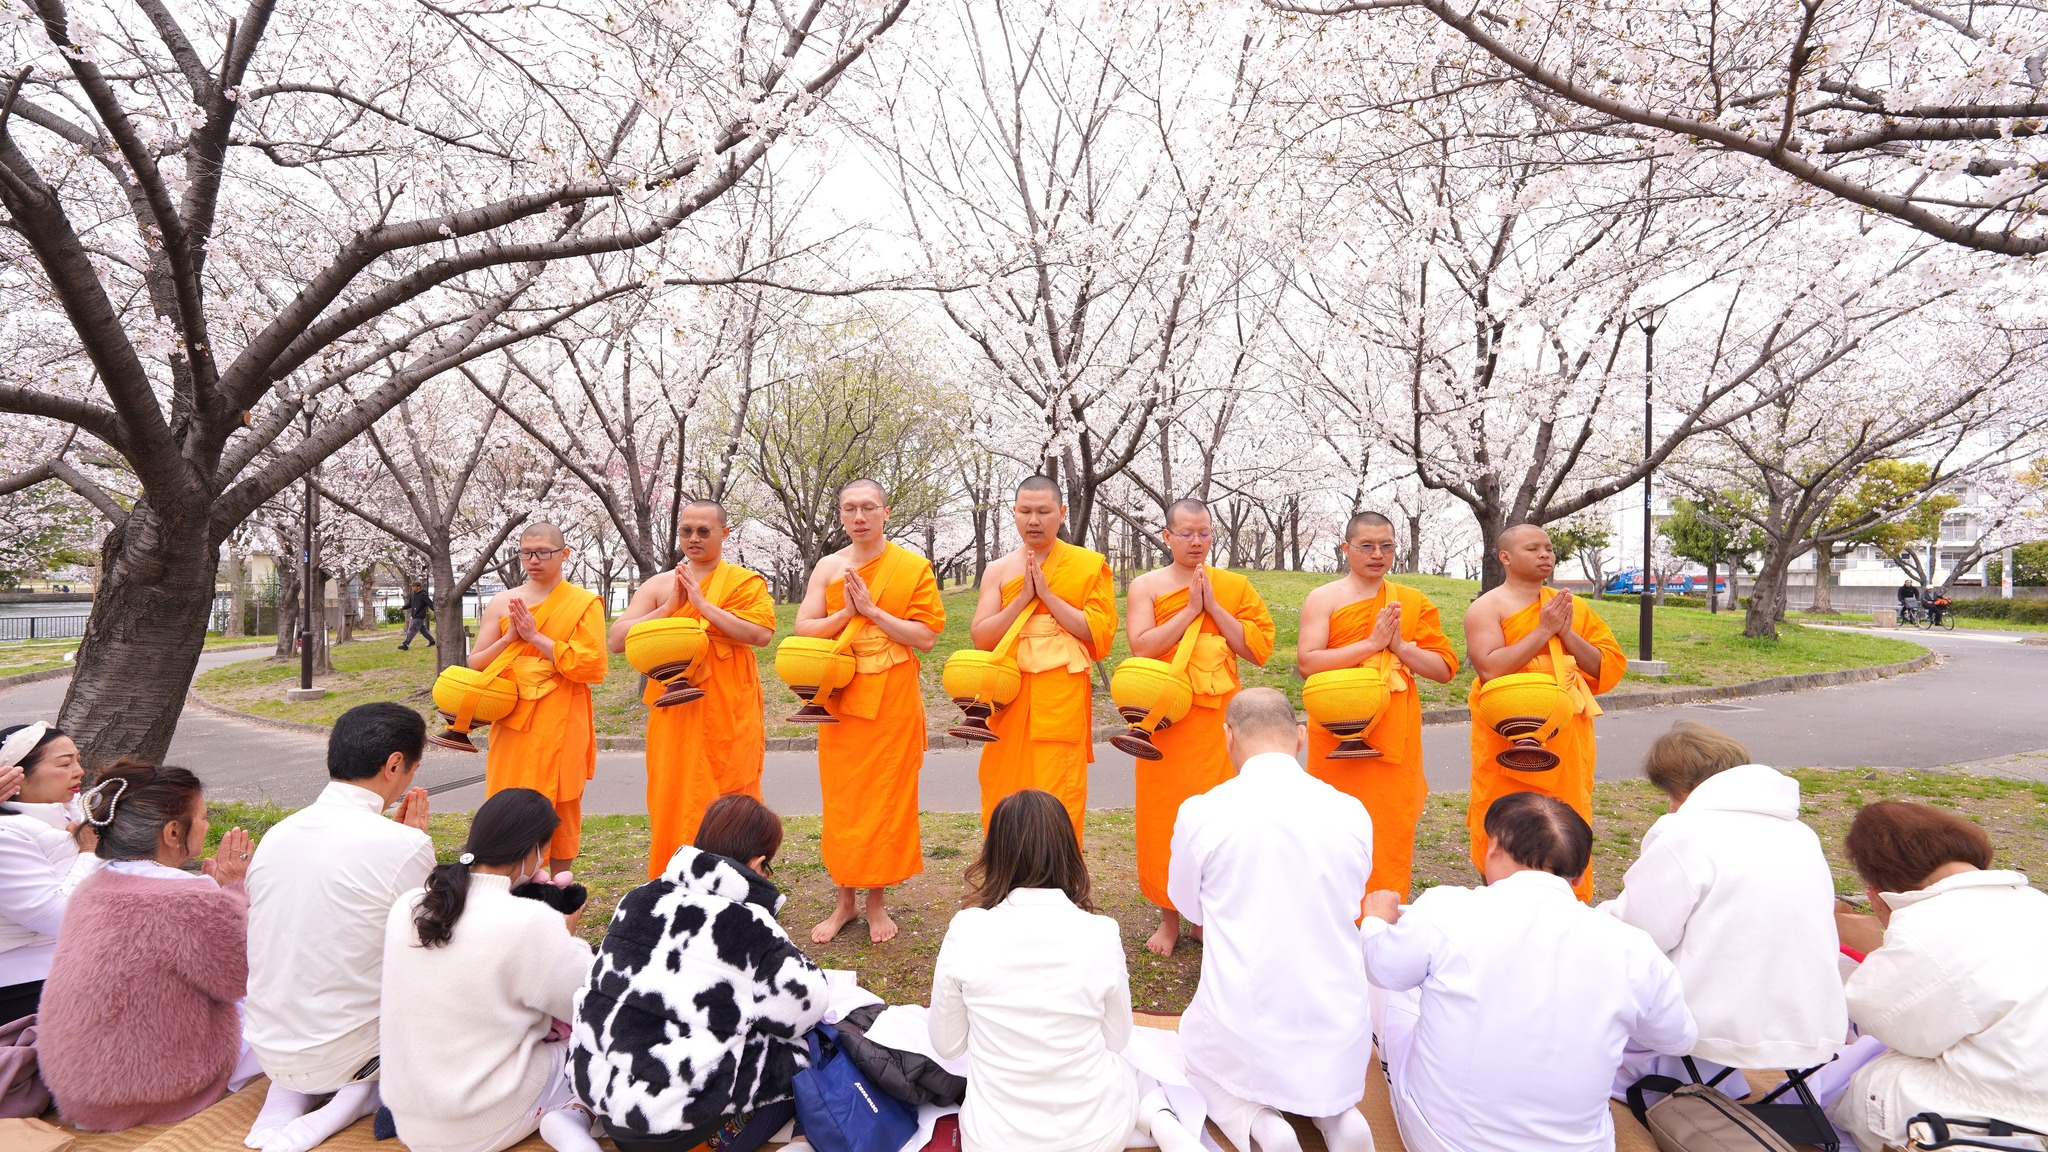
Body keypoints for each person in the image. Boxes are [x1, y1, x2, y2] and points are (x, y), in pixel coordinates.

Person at [1363, 793, 1696, 1152]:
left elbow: (1383, 969)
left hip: (1446, 1143)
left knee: (1392, 972)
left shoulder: (1445, 908)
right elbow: (1676, 1038)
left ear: (1493, 849)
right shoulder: (1633, 947)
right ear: (1580, 873)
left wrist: (1374, 920)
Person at [931, 788, 1202, 1152]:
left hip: (994, 1139)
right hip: (1096, 1136)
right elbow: (1117, 1039)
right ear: (1068, 852)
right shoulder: (1101, 932)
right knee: (1133, 1056)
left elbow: (947, 1046)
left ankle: (1158, 1121)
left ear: (994, 853)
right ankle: (1160, 1120)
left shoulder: (966, 930)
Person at [1167, 688, 1376, 1152]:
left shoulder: (1202, 812)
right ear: (1301, 738)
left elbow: (1186, 905)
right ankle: (1339, 1115)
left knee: (1194, 1052)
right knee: (1321, 1068)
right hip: (1336, 1024)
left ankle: (1261, 1124)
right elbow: (1352, 896)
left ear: (1228, 736)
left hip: (1246, 1023)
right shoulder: (1351, 811)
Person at [573, 795, 829, 1152]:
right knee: (818, 1050)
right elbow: (807, 1008)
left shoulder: (638, 897)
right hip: (679, 1128)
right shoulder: (748, 922)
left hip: (613, 1108)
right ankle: (802, 1142)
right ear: (758, 863)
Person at [1604, 722, 1845, 1096]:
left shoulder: (1685, 832)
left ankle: (1661, 1076)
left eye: (1671, 794)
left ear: (1684, 789)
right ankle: (1716, 1079)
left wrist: (1592, 919)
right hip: (1808, 1017)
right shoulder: (1801, 834)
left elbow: (1641, 932)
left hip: (1713, 1024)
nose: (1670, 805)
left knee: (1612, 958)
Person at [243, 703, 435, 1152]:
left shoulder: (280, 833)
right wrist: (416, 848)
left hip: (267, 1048)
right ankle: (356, 1096)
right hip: (353, 1056)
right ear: (393, 765)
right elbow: (427, 945)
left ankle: (288, 1091)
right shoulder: (404, 844)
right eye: (411, 768)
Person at [1814, 802, 2048, 1152]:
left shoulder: (1925, 926)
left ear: (1877, 885)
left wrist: (1891, 925)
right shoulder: (2035, 902)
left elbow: (1887, 1022)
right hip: (2025, 1085)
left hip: (2003, 1112)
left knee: (1866, 1076)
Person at [37, 762, 260, 1130]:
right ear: (174, 832)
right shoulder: (188, 898)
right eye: (202, 816)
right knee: (297, 1008)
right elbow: (244, 978)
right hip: (155, 1093)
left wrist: (218, 897)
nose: (206, 825)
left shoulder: (91, 886)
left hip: (77, 1092)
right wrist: (234, 890)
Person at [381, 788, 600, 1152]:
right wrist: (566, 934)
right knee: (607, 1047)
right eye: (543, 853)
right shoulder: (530, 920)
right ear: (531, 851)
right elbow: (588, 1004)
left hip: (409, 1117)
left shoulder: (410, 905)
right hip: (478, 1122)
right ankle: (575, 1114)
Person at [796, 479, 944, 944]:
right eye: (849, 509)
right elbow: (803, 628)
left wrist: (873, 612)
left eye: (868, 508)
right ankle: (844, 901)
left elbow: (925, 636)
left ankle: (877, 901)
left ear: (885, 511)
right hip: (840, 693)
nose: (859, 517)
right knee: (843, 800)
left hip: (892, 700)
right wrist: (847, 614)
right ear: (840, 515)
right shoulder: (827, 566)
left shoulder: (912, 567)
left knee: (885, 797)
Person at [1126, 498, 1276, 957]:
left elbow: (1259, 648)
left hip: (1219, 727)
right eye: (1186, 533)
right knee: (1165, 818)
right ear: (1167, 537)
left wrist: (1214, 605)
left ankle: (1207, 918)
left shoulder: (1234, 585)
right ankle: (1169, 918)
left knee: (1221, 819)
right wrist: (1191, 610)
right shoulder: (1147, 586)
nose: (1197, 542)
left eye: (1205, 533)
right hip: (1165, 724)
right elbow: (1142, 645)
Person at [608, 500, 776, 878]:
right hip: (676, 709)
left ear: (724, 534)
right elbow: (617, 640)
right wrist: (669, 607)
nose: (694, 538)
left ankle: (739, 881)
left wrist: (702, 606)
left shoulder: (743, 582)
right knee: (676, 793)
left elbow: (761, 634)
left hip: (729, 705)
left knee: (734, 792)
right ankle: (677, 880)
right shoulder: (660, 585)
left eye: (704, 531)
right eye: (686, 531)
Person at [1297, 511, 1458, 897]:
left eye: (1386, 546)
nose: (1377, 554)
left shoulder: (1410, 601)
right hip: (1338, 728)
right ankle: (1335, 917)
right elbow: (1308, 662)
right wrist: (1371, 644)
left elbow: (1444, 669)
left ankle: (1383, 916)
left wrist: (1400, 646)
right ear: (1346, 548)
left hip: (1392, 731)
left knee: (1388, 826)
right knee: (1335, 825)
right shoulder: (1325, 598)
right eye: (1366, 546)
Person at [1463, 524, 1625, 900]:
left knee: (1564, 818)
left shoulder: (1572, 606)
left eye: (1549, 548)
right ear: (1505, 557)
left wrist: (1566, 633)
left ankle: (1565, 900)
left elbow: (1607, 669)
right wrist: (1543, 630)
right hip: (1507, 733)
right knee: (1508, 819)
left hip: (1564, 734)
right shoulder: (1487, 607)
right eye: (1533, 548)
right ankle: (1501, 896)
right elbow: (1490, 668)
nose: (1545, 555)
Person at [967, 475, 1117, 844]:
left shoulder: (1087, 565)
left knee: (1059, 792)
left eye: (1044, 511)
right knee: (1003, 787)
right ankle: (1004, 884)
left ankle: (1060, 889)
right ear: (1013, 514)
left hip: (1060, 691)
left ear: (1062, 514)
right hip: (1008, 692)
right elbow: (982, 636)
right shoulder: (999, 569)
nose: (1034, 520)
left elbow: (1098, 633)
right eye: (1026, 511)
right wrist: (1021, 601)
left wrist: (1047, 596)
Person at [470, 522, 608, 870]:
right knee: (508, 798)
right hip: (514, 718)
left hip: (563, 718)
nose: (535, 560)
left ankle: (560, 884)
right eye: (527, 553)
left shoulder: (583, 603)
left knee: (562, 801)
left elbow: (592, 667)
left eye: (544, 552)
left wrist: (536, 638)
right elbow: (476, 663)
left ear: (564, 554)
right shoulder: (503, 602)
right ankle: (507, 882)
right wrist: (510, 638)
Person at [0, 721, 96, 1021]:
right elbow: (57, 916)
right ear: (17, 776)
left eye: (78, 760)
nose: (79, 771)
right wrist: (91, 853)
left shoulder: (77, 809)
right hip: (26, 980)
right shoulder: (7, 835)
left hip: (80, 959)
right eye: (65, 763)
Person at [398, 581, 435, 650]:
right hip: (414, 615)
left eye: (413, 587)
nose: (412, 588)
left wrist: (436, 610)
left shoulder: (423, 594)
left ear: (418, 587)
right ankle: (432, 641)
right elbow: (410, 603)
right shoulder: (413, 594)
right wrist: (403, 607)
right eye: (412, 586)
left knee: (412, 629)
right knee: (423, 630)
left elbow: (430, 603)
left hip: (420, 615)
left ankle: (406, 644)